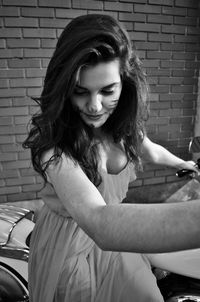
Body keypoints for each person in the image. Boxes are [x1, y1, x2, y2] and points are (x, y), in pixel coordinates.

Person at [23, 14, 200, 302]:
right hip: (70, 253)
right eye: (80, 92)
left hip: (119, 244)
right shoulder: (54, 149)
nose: (94, 106)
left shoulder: (124, 129)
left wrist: (183, 164)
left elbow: (151, 149)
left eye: (107, 91)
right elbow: (98, 221)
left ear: (125, 83)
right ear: (64, 88)